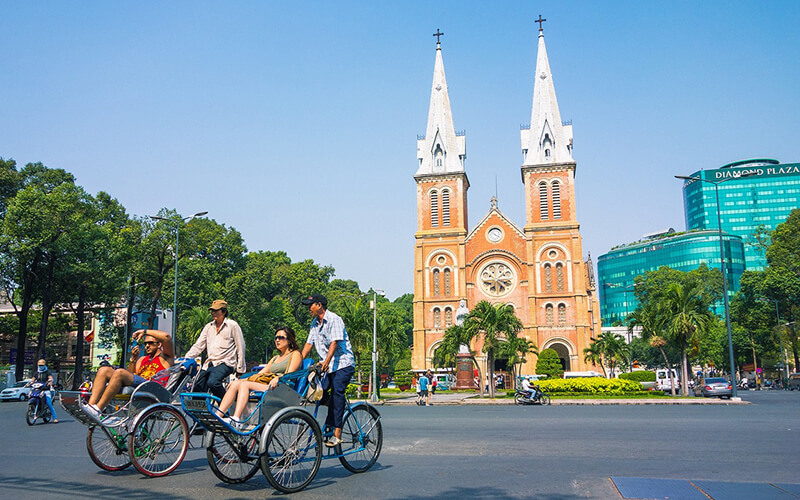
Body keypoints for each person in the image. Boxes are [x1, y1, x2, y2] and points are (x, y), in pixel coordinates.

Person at [217, 326, 302, 427]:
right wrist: (239, 380)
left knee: (245, 386)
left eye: (281, 338)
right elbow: (259, 374)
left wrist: (278, 378)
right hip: (269, 386)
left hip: (282, 388)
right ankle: (218, 416)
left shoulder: (295, 354)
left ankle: (236, 419)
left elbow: (289, 375)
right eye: (276, 338)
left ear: (289, 340)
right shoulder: (275, 358)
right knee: (236, 384)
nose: (277, 340)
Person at [82, 328, 174, 422]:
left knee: (120, 372)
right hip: (140, 385)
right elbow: (130, 375)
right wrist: (133, 359)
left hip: (153, 387)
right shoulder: (142, 359)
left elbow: (166, 337)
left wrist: (144, 332)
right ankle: (91, 407)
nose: (147, 346)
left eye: (150, 343)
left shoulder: (165, 358)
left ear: (159, 344)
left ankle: (98, 409)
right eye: (145, 343)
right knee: (103, 370)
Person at [300, 294, 355, 447]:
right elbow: (308, 345)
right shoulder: (314, 323)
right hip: (328, 367)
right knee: (319, 394)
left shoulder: (334, 319)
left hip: (343, 364)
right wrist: (298, 361)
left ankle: (337, 432)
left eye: (311, 305)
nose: (309, 309)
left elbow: (334, 343)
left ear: (319, 305)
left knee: (337, 392)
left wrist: (327, 361)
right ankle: (337, 408)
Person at [185, 299, 246, 399]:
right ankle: (200, 413)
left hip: (226, 363)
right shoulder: (208, 327)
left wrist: (240, 367)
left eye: (216, 311)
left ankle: (225, 404)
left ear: (224, 312)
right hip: (210, 363)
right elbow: (198, 345)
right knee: (198, 386)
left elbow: (241, 346)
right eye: (212, 311)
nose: (213, 313)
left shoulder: (232, 325)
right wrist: (186, 359)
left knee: (213, 382)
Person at [30, 359, 58, 423]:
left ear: (44, 365)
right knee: (31, 396)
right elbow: (33, 379)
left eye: (42, 365)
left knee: (49, 403)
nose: (40, 366)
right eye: (39, 365)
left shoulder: (47, 372)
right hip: (37, 390)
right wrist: (31, 383)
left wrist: (50, 381)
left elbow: (51, 378)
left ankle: (55, 418)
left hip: (46, 390)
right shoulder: (36, 373)